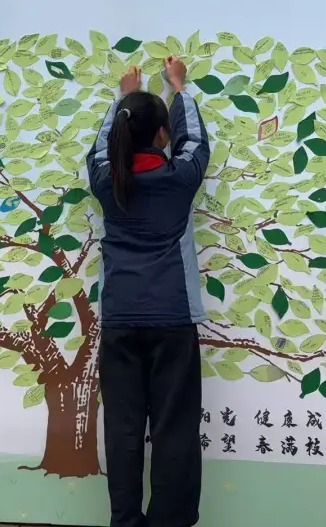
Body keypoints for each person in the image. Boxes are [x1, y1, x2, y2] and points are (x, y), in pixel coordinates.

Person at [86, 56, 210, 527]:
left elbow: (102, 148)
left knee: (122, 429)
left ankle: (125, 521)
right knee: (174, 429)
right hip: (172, 320)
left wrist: (122, 99)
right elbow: (194, 141)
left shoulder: (105, 180)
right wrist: (179, 88)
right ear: (163, 135)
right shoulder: (180, 177)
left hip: (120, 320)